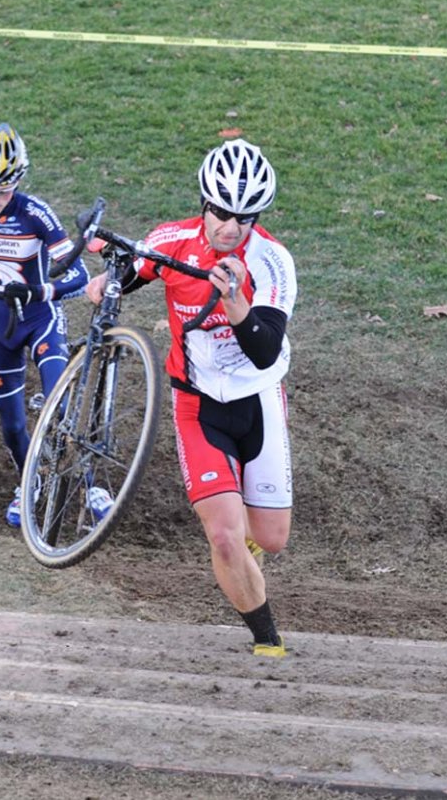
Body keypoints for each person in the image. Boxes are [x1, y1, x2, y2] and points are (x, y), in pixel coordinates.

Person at [85, 138, 296, 657]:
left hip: (259, 399)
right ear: (205, 203)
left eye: (246, 217)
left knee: (270, 539)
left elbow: (266, 351)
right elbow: (133, 271)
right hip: (195, 405)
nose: (233, 227)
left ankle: (250, 548)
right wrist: (105, 279)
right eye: (223, 212)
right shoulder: (173, 240)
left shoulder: (272, 262)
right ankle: (268, 642)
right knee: (224, 536)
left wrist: (236, 299)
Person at [0, 123, 106, 527]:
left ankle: (91, 483)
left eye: (3, 191)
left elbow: (78, 275)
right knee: (12, 424)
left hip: (40, 320)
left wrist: (40, 292)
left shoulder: (35, 213)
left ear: (19, 182)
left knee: (59, 407)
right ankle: (29, 482)